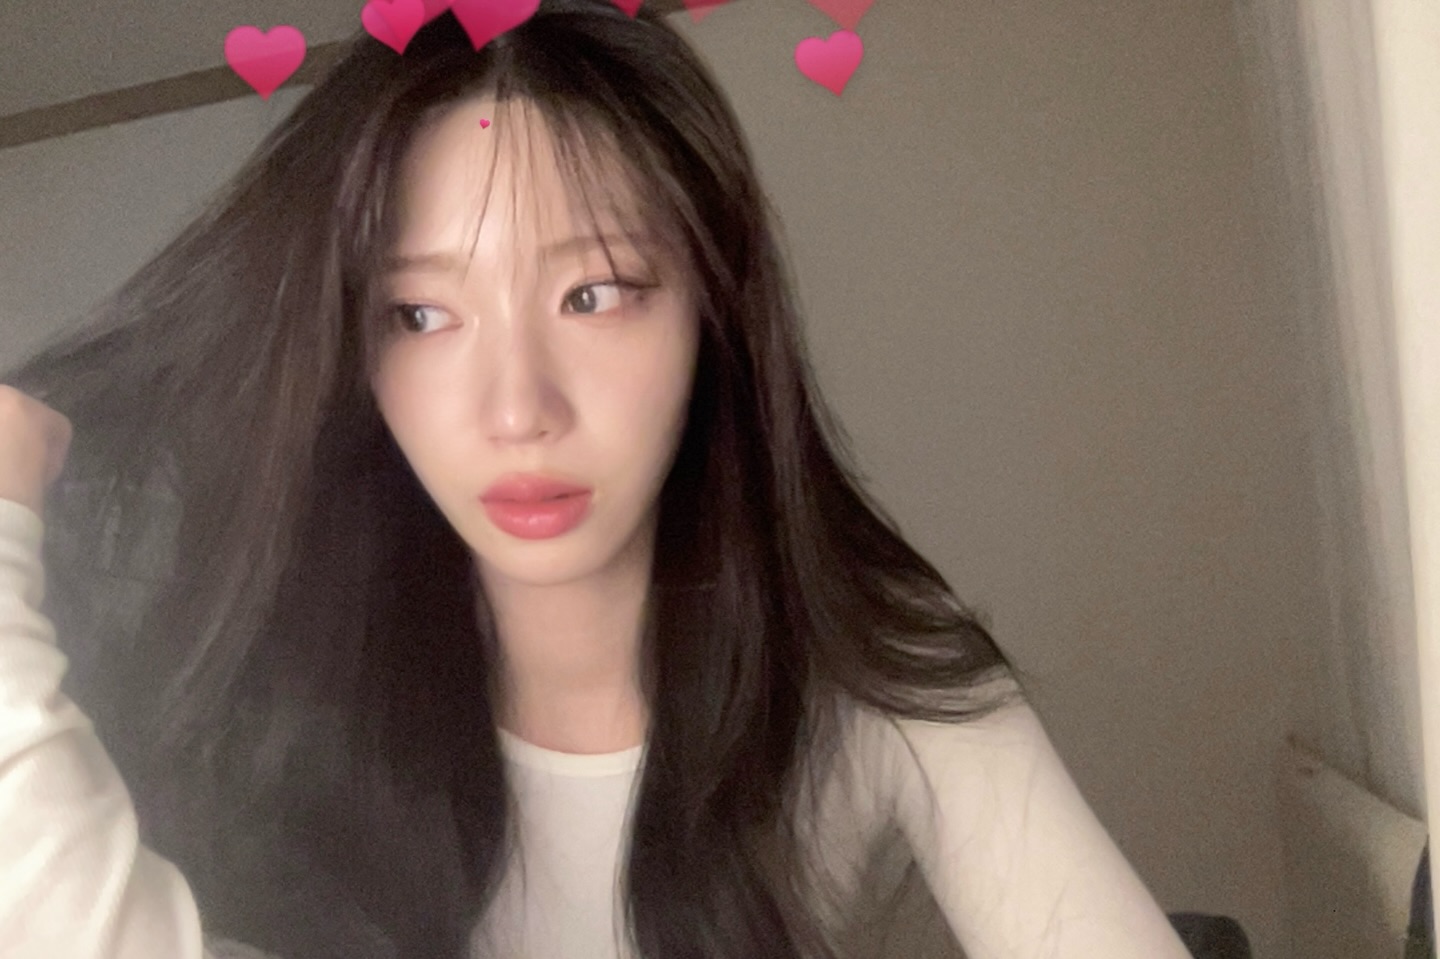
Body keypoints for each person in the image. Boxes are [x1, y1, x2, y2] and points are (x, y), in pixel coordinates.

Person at [0, 3, 1196, 957]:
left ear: (714, 308)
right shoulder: (276, 685)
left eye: (595, 293)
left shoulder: (873, 676)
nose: (518, 407)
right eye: (420, 314)